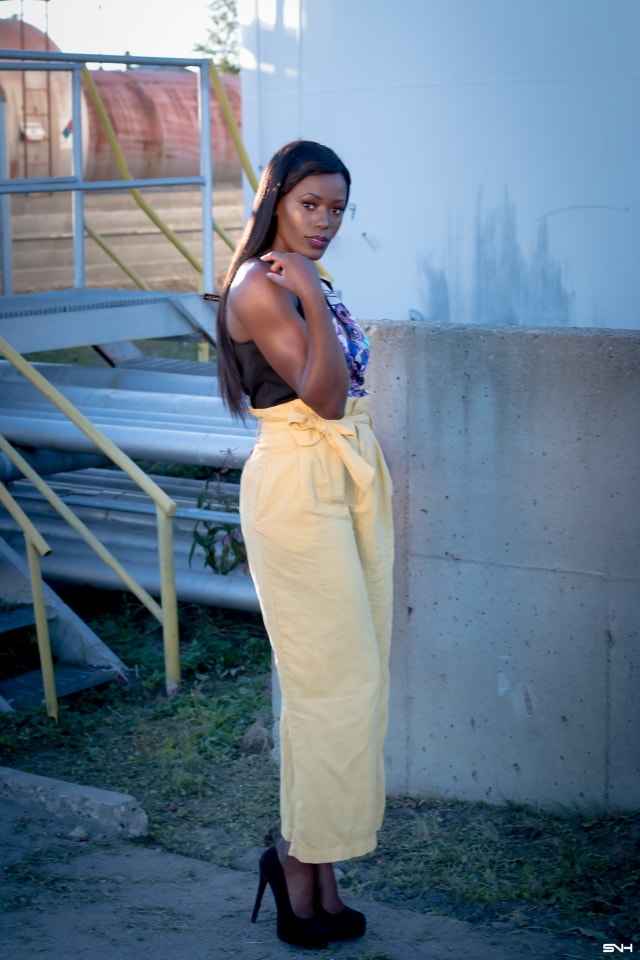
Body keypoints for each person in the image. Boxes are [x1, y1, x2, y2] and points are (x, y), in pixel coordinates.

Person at [215, 139, 394, 949]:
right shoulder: (262, 286)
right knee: (334, 684)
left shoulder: (297, 279)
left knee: (347, 680)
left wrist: (315, 293)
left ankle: (317, 866)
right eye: (309, 205)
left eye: (337, 210)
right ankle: (295, 863)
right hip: (296, 483)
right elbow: (322, 398)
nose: (324, 223)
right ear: (276, 200)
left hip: (338, 478)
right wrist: (314, 303)